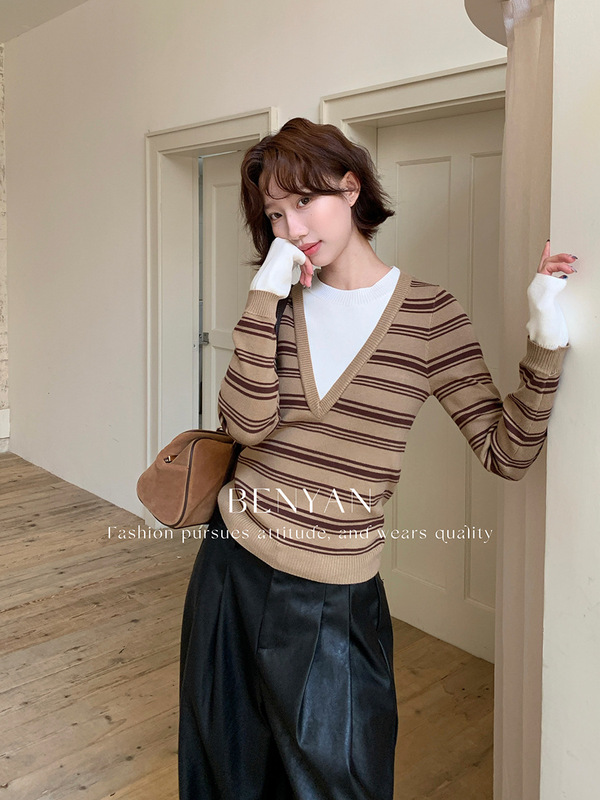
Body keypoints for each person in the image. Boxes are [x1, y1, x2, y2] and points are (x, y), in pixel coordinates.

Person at [178, 117, 574, 800]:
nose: (292, 227)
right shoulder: (278, 302)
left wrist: (547, 335)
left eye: (305, 201)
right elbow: (245, 424)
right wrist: (263, 294)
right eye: (275, 213)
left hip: (333, 595)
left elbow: (506, 451)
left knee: (343, 780)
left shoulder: (431, 316)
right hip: (230, 567)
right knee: (225, 774)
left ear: (351, 186)